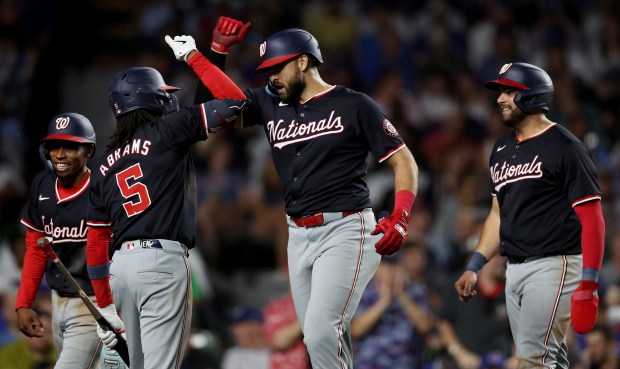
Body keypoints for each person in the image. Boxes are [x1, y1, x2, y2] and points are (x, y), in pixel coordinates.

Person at [165, 24, 419, 369]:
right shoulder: (270, 103)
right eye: (266, 70)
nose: (271, 77)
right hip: (297, 234)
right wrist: (215, 53)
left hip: (345, 229)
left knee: (318, 331)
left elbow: (403, 159)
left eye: (276, 67)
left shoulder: (353, 104)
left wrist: (401, 214)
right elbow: (210, 111)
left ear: (302, 62)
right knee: (323, 341)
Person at [84, 64, 248, 369]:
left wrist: (104, 303)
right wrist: (198, 58)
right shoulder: (169, 129)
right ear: (150, 98)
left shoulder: (103, 165)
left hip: (119, 269)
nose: (167, 99)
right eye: (162, 94)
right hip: (161, 262)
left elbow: (95, 243)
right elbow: (236, 101)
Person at [454, 62, 605, 369]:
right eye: (500, 92)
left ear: (533, 96)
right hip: (515, 269)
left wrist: (589, 282)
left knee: (531, 359)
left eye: (510, 91)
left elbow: (593, 218)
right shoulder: (501, 148)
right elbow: (498, 215)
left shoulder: (565, 147)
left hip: (555, 266)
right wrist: (475, 265)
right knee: (550, 359)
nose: (500, 99)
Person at [14, 112, 103, 368]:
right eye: (54, 146)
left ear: (88, 151)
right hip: (58, 300)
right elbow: (35, 248)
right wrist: (23, 303)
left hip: (93, 302)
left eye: (70, 147)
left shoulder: (101, 188)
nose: (60, 154)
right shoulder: (42, 185)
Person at [350, 247, 434, 369]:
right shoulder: (363, 293)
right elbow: (356, 330)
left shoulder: (416, 292)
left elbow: (425, 325)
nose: (390, 271)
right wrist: (384, 302)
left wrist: (402, 296)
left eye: (394, 266)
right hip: (369, 364)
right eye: (385, 266)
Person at [220, 305, 269, 369]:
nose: (235, 331)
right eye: (234, 327)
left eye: (240, 326)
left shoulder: (277, 350)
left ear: (256, 326)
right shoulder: (233, 355)